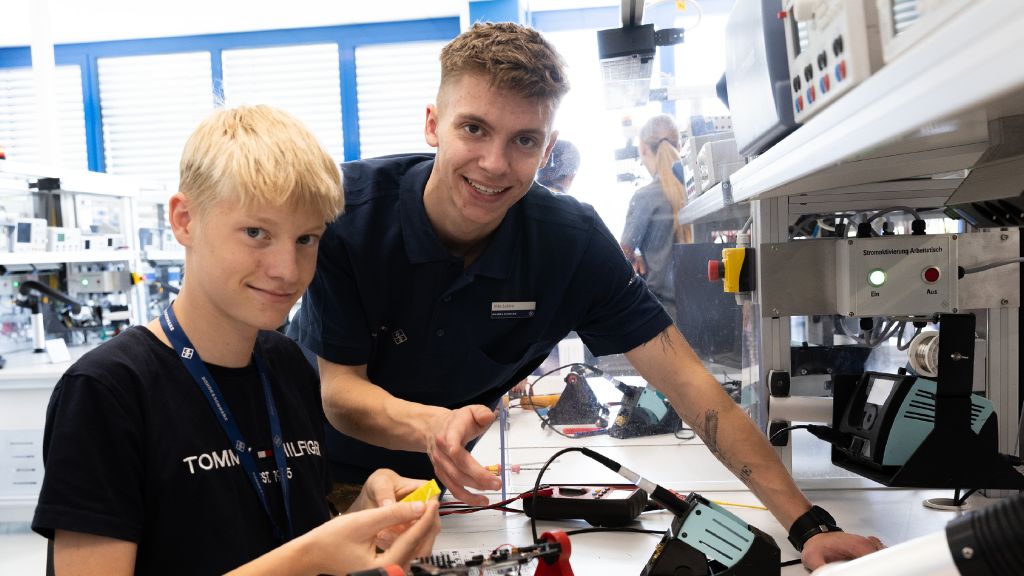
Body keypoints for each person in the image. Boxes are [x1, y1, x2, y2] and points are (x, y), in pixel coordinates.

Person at [290, 22, 882, 570]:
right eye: (473, 128)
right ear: (431, 124)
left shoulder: (568, 243)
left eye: (524, 140)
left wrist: (807, 526)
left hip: (440, 491)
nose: (494, 164)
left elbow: (691, 386)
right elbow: (339, 393)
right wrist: (435, 426)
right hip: (312, 469)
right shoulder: (349, 214)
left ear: (547, 151)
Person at [31, 105, 439, 576]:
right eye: (256, 233)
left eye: (306, 239)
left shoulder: (287, 365)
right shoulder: (106, 392)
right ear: (184, 220)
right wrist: (308, 556)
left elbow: (286, 537)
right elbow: (298, 559)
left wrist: (360, 516)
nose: (287, 270)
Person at [620, 114, 692, 321]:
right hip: (702, 308)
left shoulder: (645, 197)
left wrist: (637, 256)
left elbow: (622, 255)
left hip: (662, 314)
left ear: (642, 150)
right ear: (679, 145)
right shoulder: (696, 191)